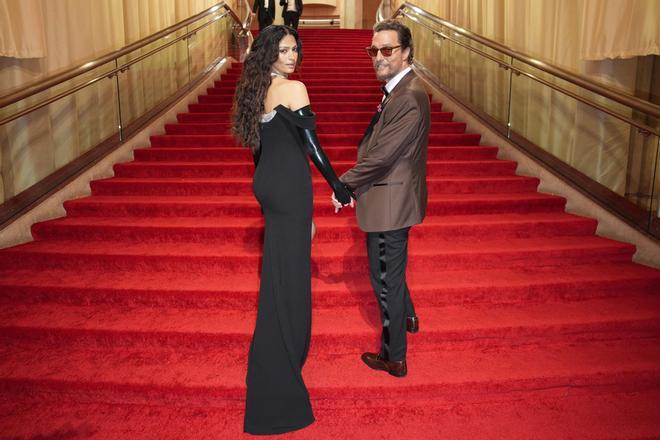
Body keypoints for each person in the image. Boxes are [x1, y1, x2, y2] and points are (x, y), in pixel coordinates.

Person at [232, 25, 353, 435]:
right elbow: (312, 145)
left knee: (278, 271)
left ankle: (275, 347)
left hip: (268, 184)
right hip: (289, 185)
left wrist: (272, 193)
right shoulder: (293, 88)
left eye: (294, 50)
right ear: (268, 53)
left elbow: (258, 148)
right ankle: (283, 360)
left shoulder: (255, 90)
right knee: (292, 275)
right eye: (283, 50)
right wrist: (339, 187)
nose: (291, 56)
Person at [334, 20, 430, 378]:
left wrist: (344, 185)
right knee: (390, 272)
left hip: (391, 204)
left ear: (406, 52)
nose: (378, 57)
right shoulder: (398, 90)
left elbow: (383, 156)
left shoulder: (408, 96)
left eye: (387, 50)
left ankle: (395, 357)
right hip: (390, 199)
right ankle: (408, 317)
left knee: (384, 278)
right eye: (373, 50)